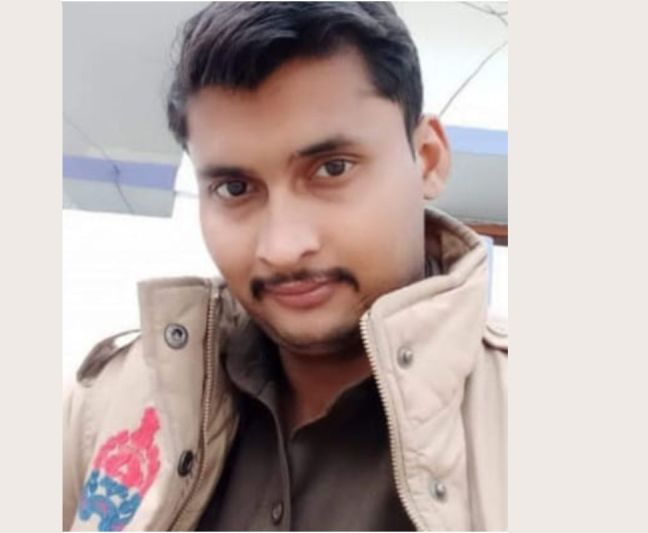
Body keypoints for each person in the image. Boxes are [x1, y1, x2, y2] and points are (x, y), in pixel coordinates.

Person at [62, 2, 507, 531]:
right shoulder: (105, 406)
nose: (283, 248)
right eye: (235, 188)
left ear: (428, 158)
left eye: (332, 169)